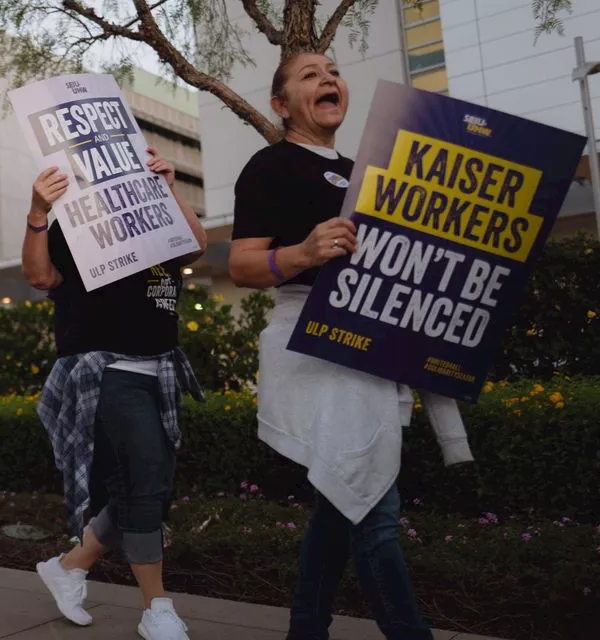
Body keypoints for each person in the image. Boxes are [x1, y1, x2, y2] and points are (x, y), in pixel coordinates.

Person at [226, 52, 472, 640]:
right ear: (282, 106)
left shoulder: (371, 171)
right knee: (375, 511)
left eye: (332, 71)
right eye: (309, 75)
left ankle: (305, 630)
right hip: (316, 346)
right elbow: (239, 266)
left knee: (344, 503)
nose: (328, 79)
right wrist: (302, 255)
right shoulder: (270, 166)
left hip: (375, 344)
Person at [24, 144, 207, 640]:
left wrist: (169, 187)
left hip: (160, 368)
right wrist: (39, 212)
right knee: (145, 482)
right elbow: (39, 276)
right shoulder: (75, 223)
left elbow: (195, 246)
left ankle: (70, 565)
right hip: (108, 369)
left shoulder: (155, 211)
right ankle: (157, 608)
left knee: (149, 488)